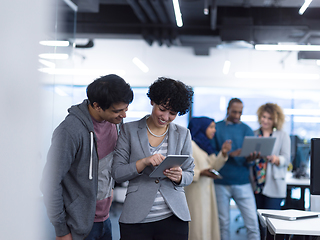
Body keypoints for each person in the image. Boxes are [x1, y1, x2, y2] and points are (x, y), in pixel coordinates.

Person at [40, 74, 134, 240]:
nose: (123, 115)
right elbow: (49, 182)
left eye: (126, 109)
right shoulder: (70, 131)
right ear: (97, 106)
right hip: (79, 224)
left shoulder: (115, 123)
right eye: (117, 111)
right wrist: (61, 229)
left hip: (105, 219)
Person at [111, 77, 194, 240]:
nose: (166, 117)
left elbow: (190, 173)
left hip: (174, 216)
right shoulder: (129, 130)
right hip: (136, 217)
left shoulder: (183, 134)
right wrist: (143, 162)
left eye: (173, 113)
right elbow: (117, 172)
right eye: (163, 109)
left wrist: (180, 177)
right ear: (152, 101)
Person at [211, 98, 260, 240]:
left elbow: (251, 160)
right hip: (221, 182)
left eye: (240, 112)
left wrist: (251, 159)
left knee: (252, 224)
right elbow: (210, 155)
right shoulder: (217, 128)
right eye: (234, 112)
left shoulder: (246, 129)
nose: (237, 115)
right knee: (223, 224)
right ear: (227, 110)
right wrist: (226, 154)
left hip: (242, 181)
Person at [185, 117, 232, 240]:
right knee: (197, 228)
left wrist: (223, 153)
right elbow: (182, 170)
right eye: (211, 127)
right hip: (195, 193)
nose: (214, 130)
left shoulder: (205, 145)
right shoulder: (189, 144)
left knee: (206, 227)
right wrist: (201, 173)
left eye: (214, 127)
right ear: (201, 128)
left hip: (206, 192)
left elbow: (214, 166)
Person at [250, 103, 290, 239]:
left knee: (273, 223)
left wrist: (275, 158)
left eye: (269, 118)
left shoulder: (282, 135)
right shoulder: (254, 134)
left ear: (275, 120)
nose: (265, 120)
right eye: (263, 117)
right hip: (256, 184)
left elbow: (286, 159)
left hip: (274, 184)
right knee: (259, 222)